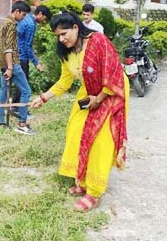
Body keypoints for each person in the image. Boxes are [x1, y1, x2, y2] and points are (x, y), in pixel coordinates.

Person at [30, 11, 129, 212]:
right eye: (58, 35)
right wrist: (43, 98)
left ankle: (94, 191)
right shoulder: (66, 53)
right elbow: (65, 81)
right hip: (89, 91)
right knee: (76, 131)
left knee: (101, 140)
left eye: (64, 33)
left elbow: (114, 72)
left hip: (111, 89)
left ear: (76, 27)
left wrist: (99, 98)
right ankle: (81, 180)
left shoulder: (98, 41)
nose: (61, 38)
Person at [0, 1, 35, 135]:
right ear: (17, 11)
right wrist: (11, 67)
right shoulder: (12, 25)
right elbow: (8, 48)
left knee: (3, 91)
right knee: (26, 91)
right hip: (11, 64)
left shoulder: (4, 22)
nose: (24, 17)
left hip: (2, 63)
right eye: (23, 14)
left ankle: (0, 120)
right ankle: (22, 124)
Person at [11, 5, 51, 117]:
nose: (44, 21)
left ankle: (14, 106)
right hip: (22, 56)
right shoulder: (31, 24)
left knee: (20, 82)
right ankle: (20, 110)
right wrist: (36, 63)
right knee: (24, 85)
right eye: (45, 19)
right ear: (40, 14)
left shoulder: (25, 18)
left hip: (15, 54)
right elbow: (27, 47)